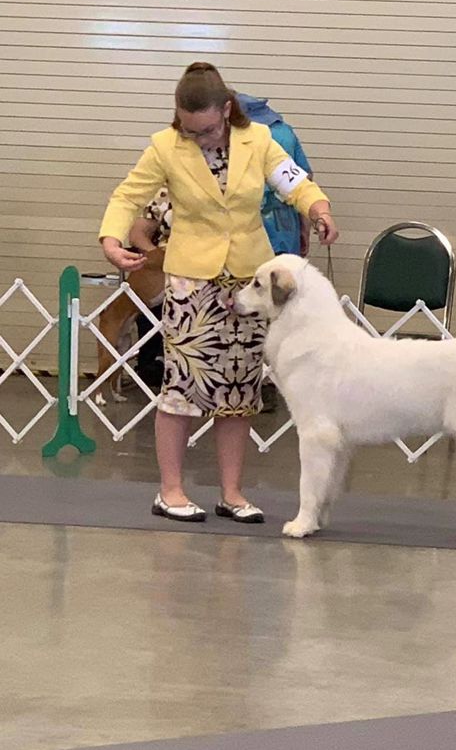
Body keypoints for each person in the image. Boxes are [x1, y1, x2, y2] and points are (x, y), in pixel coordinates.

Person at [99, 62, 339, 524]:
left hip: (249, 280)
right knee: (181, 388)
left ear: (227, 110)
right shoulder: (164, 147)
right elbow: (127, 197)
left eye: (207, 129)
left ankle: (232, 493)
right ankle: (170, 491)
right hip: (192, 281)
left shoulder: (261, 141)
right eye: (189, 130)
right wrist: (112, 240)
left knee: (241, 389)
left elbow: (295, 184)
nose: (199, 138)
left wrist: (319, 210)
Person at [236, 92, 315, 257]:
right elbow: (304, 179)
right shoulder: (285, 131)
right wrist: (304, 229)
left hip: (250, 227)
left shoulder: (237, 137)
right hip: (286, 225)